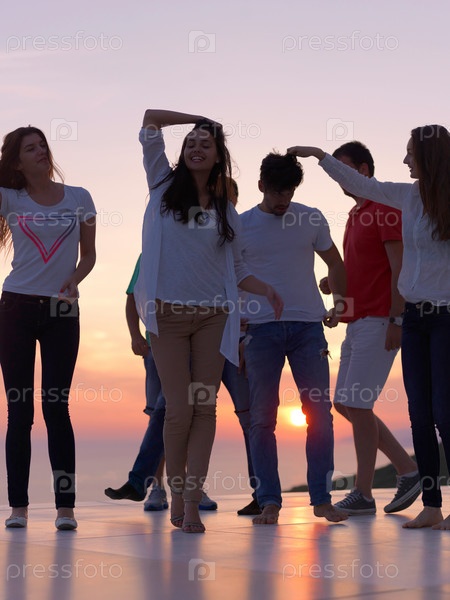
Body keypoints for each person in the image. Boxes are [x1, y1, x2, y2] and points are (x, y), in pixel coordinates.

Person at [288, 125, 450, 529]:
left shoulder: (432, 202)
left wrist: (391, 317)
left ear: (429, 155)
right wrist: (320, 156)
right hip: (414, 319)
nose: (405, 159)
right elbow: (361, 184)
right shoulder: (406, 197)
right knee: (419, 414)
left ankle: (407, 493)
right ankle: (432, 505)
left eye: (411, 152)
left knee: (444, 413)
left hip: (441, 316)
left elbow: (394, 263)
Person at [133, 109, 283, 533]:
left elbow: (236, 270)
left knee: (205, 408)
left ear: (219, 156)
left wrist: (266, 289)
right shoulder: (162, 186)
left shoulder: (225, 211)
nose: (197, 148)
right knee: (178, 410)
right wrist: (199, 119)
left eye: (206, 143)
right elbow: (149, 120)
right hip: (168, 317)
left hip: (214, 318)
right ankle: (177, 493)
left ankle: (191, 503)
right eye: (191, 143)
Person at [240, 151, 348, 525]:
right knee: (261, 418)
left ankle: (322, 500)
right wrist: (236, 329)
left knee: (319, 413)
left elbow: (335, 262)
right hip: (260, 329)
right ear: (261, 186)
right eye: (276, 192)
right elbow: (231, 276)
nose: (283, 200)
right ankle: (269, 501)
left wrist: (340, 302)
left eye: (289, 192)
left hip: (308, 328)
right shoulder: (241, 225)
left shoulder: (311, 217)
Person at [0, 126, 96, 530]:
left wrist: (75, 279)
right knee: (19, 410)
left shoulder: (79, 197)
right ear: (17, 161)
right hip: (15, 307)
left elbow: (89, 255)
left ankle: (65, 510)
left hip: (62, 309)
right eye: (30, 148)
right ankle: (18, 508)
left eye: (43, 145)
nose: (41, 151)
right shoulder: (9, 198)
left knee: (57, 407)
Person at [319, 141, 420, 516]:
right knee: (345, 403)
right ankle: (408, 469)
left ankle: (363, 493)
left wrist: (397, 319)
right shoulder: (356, 214)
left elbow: (399, 268)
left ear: (363, 170)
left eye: (344, 168)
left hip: (380, 321)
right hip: (357, 322)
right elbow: (362, 270)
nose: (339, 178)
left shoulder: (386, 209)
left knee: (358, 404)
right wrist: (337, 297)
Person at [104, 255, 221, 512]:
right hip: (155, 348)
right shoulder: (148, 254)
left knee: (176, 413)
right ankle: (157, 488)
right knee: (160, 415)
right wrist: (135, 335)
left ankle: (181, 487)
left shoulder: (196, 248)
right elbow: (132, 297)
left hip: (190, 345)